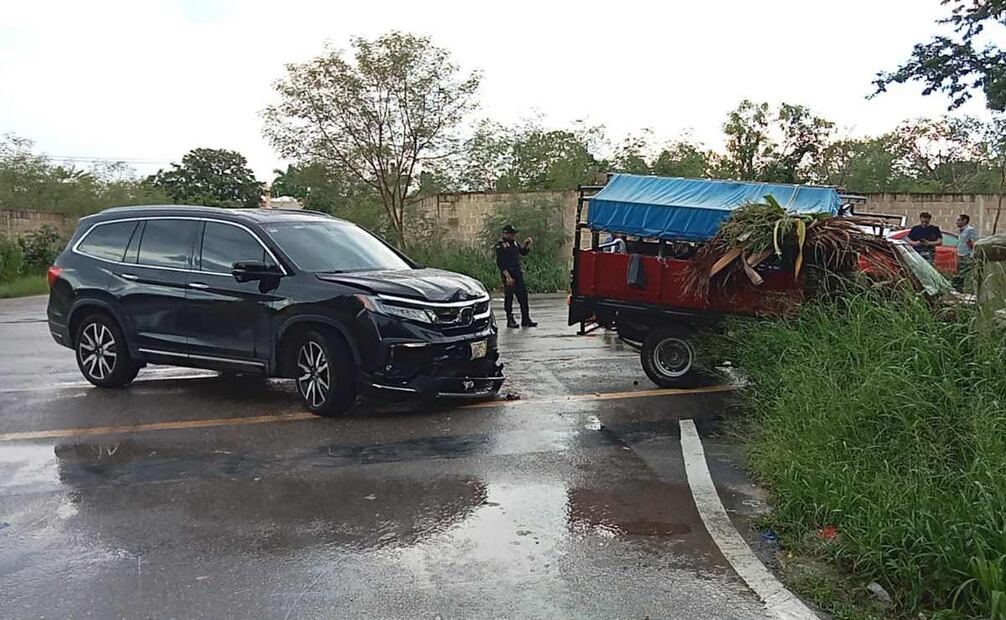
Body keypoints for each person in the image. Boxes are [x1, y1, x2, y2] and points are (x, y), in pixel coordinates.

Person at [495, 224, 536, 328]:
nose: (513, 235)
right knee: (509, 298)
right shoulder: (501, 245)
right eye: (511, 234)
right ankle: (510, 319)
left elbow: (522, 252)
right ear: (505, 233)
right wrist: (507, 276)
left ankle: (525, 319)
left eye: (514, 234)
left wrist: (526, 245)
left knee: (523, 296)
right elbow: (500, 263)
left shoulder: (514, 243)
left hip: (517, 273)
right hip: (509, 275)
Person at [953, 213, 979, 292]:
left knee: (964, 273)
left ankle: (966, 290)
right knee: (958, 273)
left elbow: (975, 243)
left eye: (959, 220)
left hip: (966, 255)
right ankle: (958, 289)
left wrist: (972, 255)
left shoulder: (970, 230)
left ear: (965, 221)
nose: (957, 222)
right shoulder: (961, 231)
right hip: (960, 254)